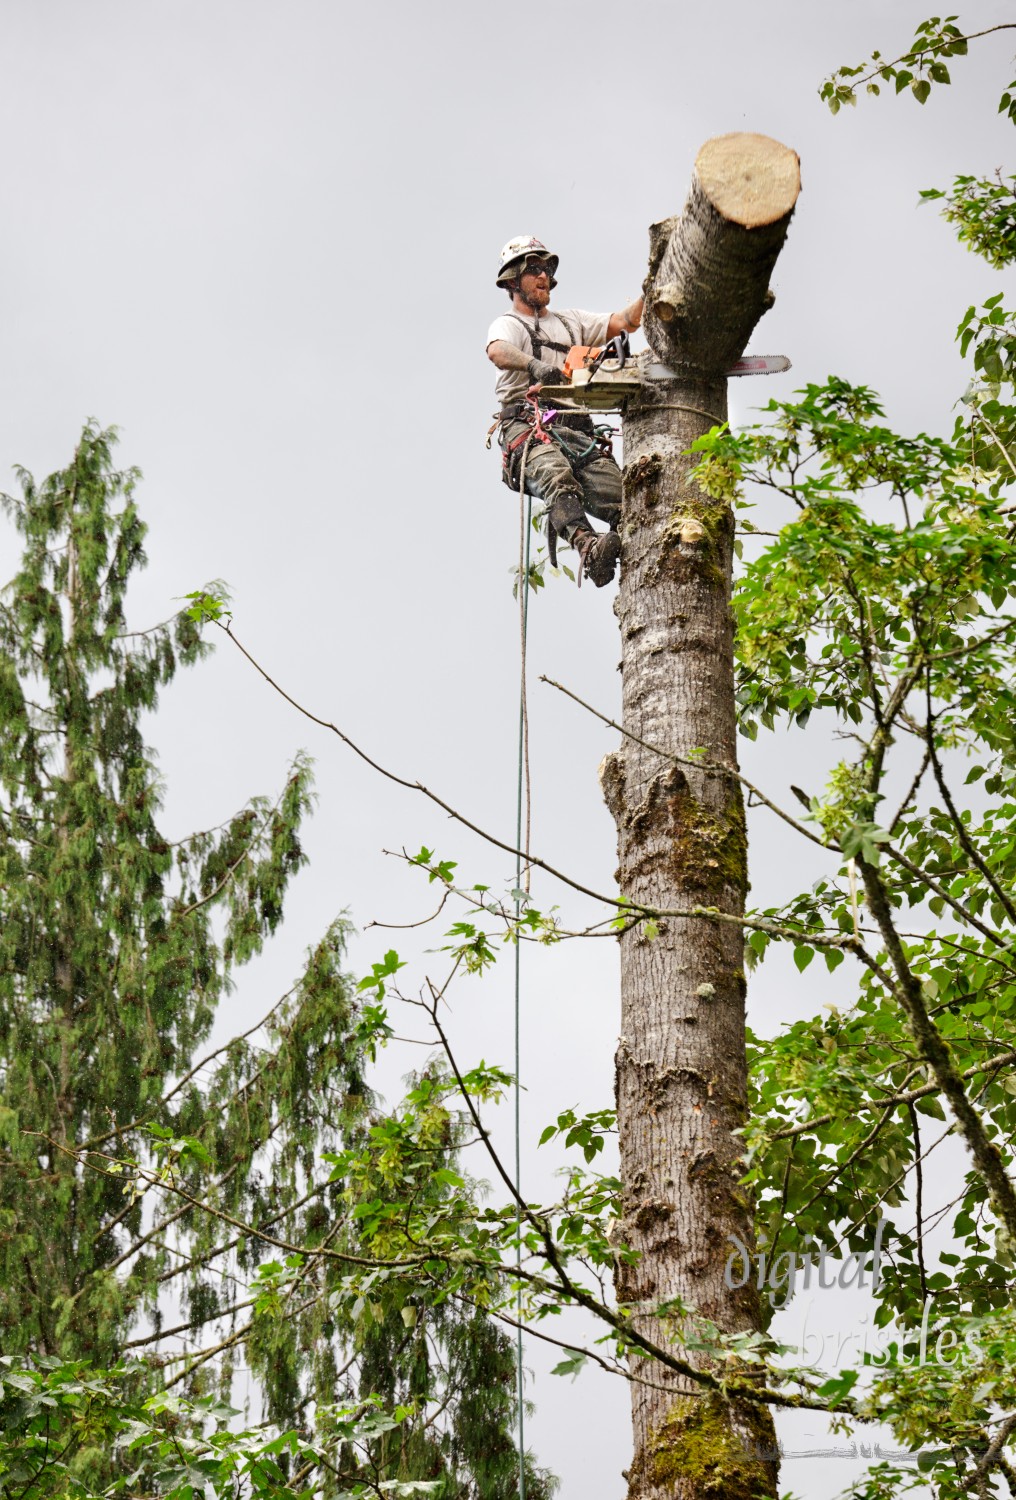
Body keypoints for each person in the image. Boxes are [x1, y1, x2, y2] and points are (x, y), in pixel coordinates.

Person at [486, 236, 644, 588]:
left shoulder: (572, 323)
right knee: (556, 477)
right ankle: (588, 548)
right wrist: (535, 367)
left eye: (547, 269)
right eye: (534, 270)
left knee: (625, 497)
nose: (543, 276)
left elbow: (624, 321)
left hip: (578, 433)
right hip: (529, 427)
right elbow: (497, 350)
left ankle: (636, 547)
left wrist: (654, 291)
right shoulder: (510, 324)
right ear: (513, 280)